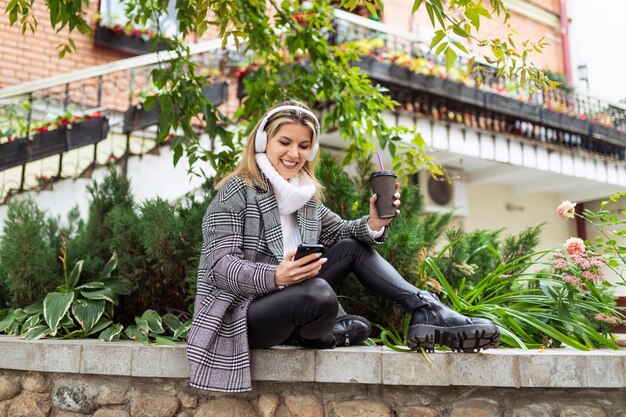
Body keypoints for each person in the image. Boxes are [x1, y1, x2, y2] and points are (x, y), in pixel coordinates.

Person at [187, 100, 500, 393]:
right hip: (242, 313)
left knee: (352, 246)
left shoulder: (304, 197)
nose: (294, 153)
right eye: (285, 142)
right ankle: (325, 333)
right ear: (262, 142)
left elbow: (343, 234)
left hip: (292, 298)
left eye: (303, 145)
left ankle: (426, 309)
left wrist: (375, 223)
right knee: (318, 294)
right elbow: (220, 268)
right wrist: (277, 276)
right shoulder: (237, 192)